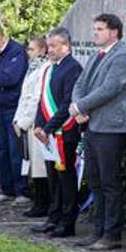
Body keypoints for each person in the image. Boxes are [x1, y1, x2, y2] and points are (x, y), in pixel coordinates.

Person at [70, 13, 126, 251]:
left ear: (114, 32)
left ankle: (112, 235)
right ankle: (97, 231)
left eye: (100, 29)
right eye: (94, 28)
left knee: (110, 183)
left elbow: (110, 89)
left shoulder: (123, 56)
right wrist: (77, 107)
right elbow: (80, 84)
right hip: (92, 126)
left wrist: (80, 107)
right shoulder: (96, 55)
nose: (95, 33)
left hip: (110, 128)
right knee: (95, 182)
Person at [30, 28, 83, 238]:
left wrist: (48, 128)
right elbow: (42, 99)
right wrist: (38, 125)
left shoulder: (73, 68)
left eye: (53, 46)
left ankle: (67, 222)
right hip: (49, 134)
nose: (49, 50)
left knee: (66, 179)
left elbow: (67, 103)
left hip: (64, 133)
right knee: (53, 178)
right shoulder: (50, 68)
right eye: (48, 46)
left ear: (66, 46)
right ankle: (54, 218)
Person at [0, 23, 30, 203]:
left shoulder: (16, 52)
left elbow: (10, 79)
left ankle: (22, 191)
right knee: (2, 152)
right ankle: (6, 189)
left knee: (15, 151)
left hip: (14, 109)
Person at [12, 36, 51, 217]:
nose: (28, 52)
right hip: (27, 121)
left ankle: (43, 204)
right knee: (33, 164)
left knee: (40, 166)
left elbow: (36, 98)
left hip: (37, 121)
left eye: (32, 49)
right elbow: (24, 97)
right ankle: (39, 202)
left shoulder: (44, 68)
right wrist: (17, 119)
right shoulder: (32, 68)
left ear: (42, 50)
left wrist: (24, 121)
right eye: (28, 49)